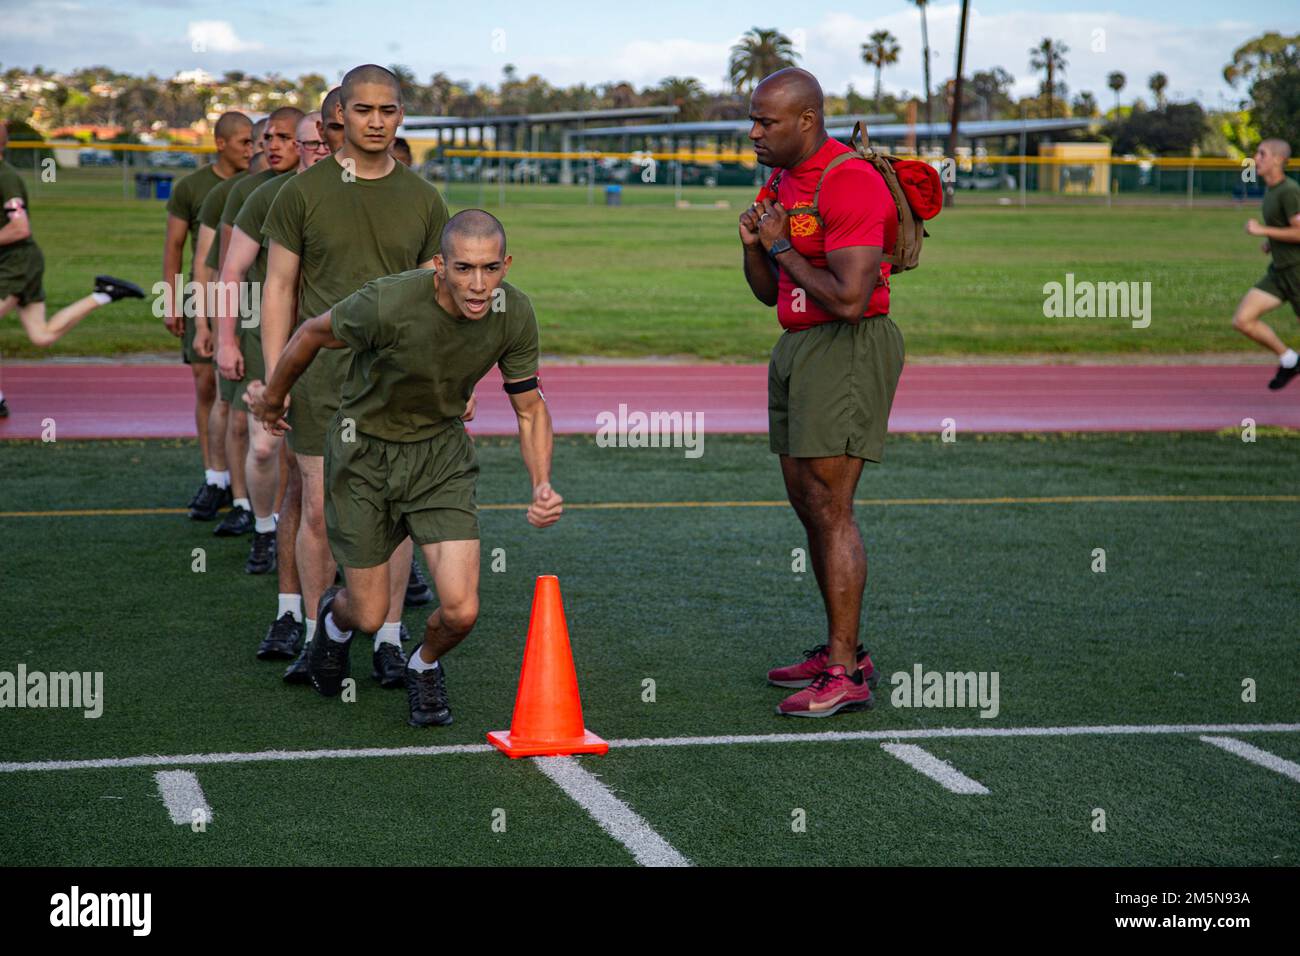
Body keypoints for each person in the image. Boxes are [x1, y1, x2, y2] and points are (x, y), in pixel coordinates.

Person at [250, 209, 563, 727]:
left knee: (462, 610)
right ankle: (332, 622)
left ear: (506, 264)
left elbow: (529, 406)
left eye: (490, 269)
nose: (478, 284)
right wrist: (273, 399)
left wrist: (542, 482)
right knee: (368, 614)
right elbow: (308, 334)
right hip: (364, 453)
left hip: (439, 457)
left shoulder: (515, 312)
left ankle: (423, 664)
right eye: (464, 269)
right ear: (439, 265)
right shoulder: (387, 302)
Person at [255, 64, 450, 689]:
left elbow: (436, 298)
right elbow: (279, 289)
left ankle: (389, 639)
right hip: (318, 378)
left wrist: (449, 378)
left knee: (393, 515)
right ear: (341, 113)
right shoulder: (302, 192)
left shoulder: (424, 198)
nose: (375, 121)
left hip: (398, 384)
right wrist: (273, 380)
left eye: (388, 111)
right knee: (317, 510)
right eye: (363, 110)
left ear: (400, 115)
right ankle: (320, 637)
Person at [738, 68, 903, 718]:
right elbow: (766, 290)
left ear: (807, 122)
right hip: (798, 345)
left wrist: (781, 243)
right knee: (808, 502)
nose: (753, 133)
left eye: (766, 122)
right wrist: (755, 247)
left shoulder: (849, 180)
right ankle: (842, 648)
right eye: (753, 120)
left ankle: (845, 671)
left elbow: (853, 298)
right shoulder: (780, 180)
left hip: (848, 347)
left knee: (832, 507)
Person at [218, 112, 328, 661]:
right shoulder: (271, 198)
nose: (310, 150)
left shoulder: (358, 194)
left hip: (346, 362)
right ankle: (271, 549)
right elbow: (230, 270)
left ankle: (376, 613)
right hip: (281, 352)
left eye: (315, 141)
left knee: (349, 489)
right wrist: (225, 338)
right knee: (278, 463)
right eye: (298, 142)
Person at [0, 121, 142, 416]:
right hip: (19, 263)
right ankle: (105, 294)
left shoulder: (5, 178)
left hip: (16, 265)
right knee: (41, 336)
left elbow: (20, 228)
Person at [206, 108, 303, 537]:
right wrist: (223, 335)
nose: (272, 145)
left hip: (315, 331)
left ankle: (290, 519)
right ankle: (248, 506)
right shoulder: (250, 192)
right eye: (269, 137)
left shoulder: (325, 190)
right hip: (259, 323)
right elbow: (227, 270)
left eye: (285, 137)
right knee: (246, 419)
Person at [162, 111, 251, 499]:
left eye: (255, 141)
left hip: (245, 298)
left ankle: (242, 482)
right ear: (221, 143)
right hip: (204, 293)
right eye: (244, 142)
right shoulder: (193, 187)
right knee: (206, 386)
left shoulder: (261, 186)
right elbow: (175, 248)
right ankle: (214, 474)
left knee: (238, 389)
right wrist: (172, 301)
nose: (252, 148)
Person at [1233, 138, 1300, 390]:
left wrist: (1262, 230)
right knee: (1243, 319)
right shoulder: (1271, 191)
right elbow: (1286, 228)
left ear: (1278, 160)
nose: (1256, 159)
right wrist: (1271, 243)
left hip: (1297, 271)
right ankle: (1290, 360)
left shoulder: (1289, 190)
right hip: (1279, 272)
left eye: (1262, 154)